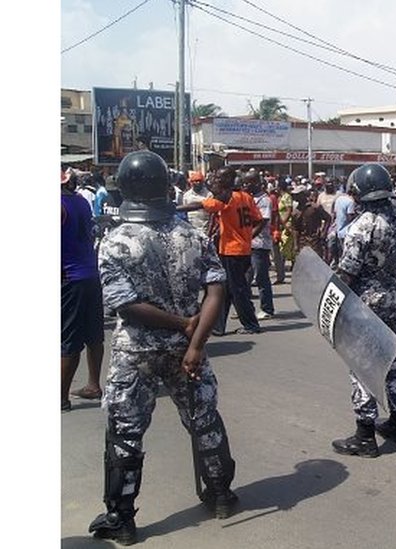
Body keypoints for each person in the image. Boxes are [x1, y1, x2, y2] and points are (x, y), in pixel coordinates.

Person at [89, 151, 237, 545]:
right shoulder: (190, 234)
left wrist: (181, 326)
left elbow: (126, 305)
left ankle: (121, 519)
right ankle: (221, 494)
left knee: (125, 432)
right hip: (189, 350)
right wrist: (194, 338)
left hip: (136, 352)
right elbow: (217, 290)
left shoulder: (115, 240)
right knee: (204, 419)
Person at [331, 164, 396, 456]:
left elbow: (347, 273)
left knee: (363, 364)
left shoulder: (362, 226)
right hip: (392, 298)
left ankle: (365, 436)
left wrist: (331, 304)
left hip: (364, 304)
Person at [180, 167, 265, 335]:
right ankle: (218, 326)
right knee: (225, 289)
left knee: (237, 290)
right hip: (241, 249)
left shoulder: (227, 198)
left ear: (229, 179)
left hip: (232, 250)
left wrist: (174, 209)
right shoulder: (246, 197)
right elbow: (259, 221)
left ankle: (251, 324)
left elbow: (200, 205)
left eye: (221, 177)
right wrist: (248, 237)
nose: (217, 180)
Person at [62, 169, 104, 411]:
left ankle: (61, 398)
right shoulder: (80, 202)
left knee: (69, 339)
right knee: (93, 335)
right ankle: (92, 385)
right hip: (90, 274)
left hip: (69, 278)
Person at [244, 172, 275, 319]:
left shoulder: (264, 200)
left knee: (261, 277)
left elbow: (262, 221)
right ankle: (245, 308)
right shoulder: (248, 198)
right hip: (247, 244)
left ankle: (267, 309)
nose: (246, 185)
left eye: (249, 182)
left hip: (259, 244)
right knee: (245, 277)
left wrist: (249, 236)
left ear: (256, 182)